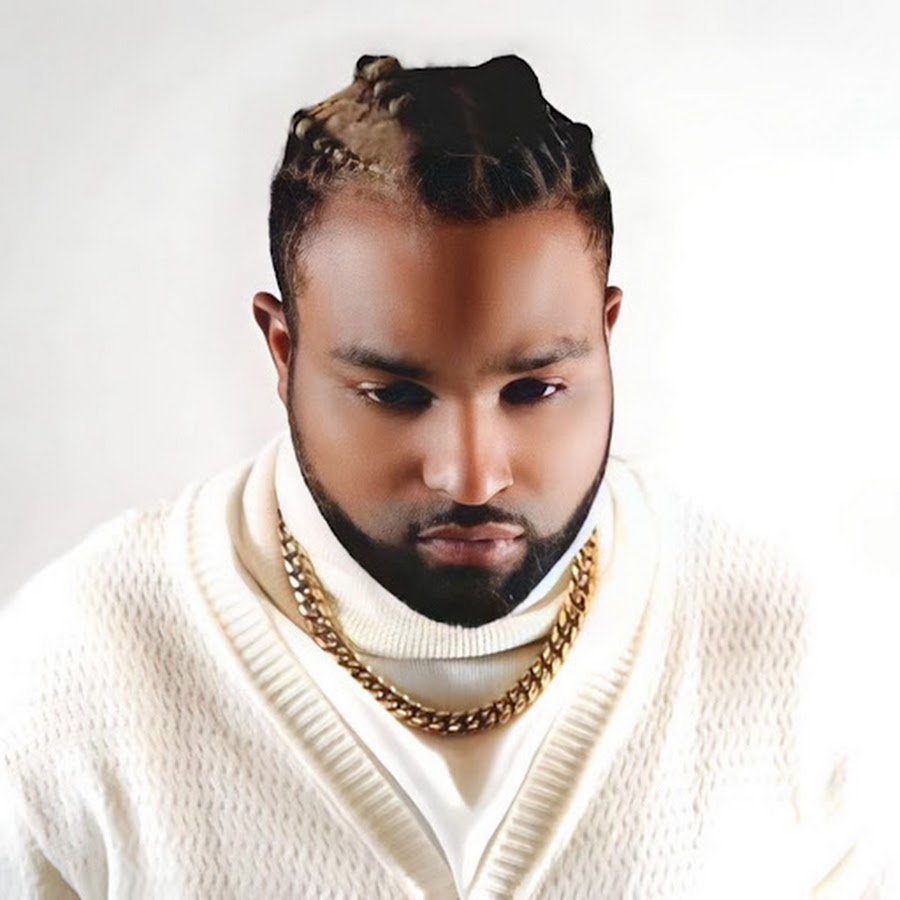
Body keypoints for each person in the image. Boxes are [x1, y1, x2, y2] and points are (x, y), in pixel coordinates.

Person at [0, 53, 886, 899]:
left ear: (607, 336)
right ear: (282, 351)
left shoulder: (791, 650)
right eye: (394, 394)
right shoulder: (79, 672)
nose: (472, 475)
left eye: (535, 389)